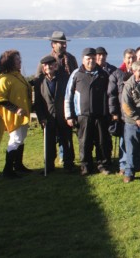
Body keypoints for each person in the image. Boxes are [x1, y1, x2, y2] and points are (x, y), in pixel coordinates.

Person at [65, 48, 112, 176]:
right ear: (83, 59)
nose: (91, 61)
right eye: (88, 58)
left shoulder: (104, 74)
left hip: (101, 115)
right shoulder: (76, 74)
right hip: (83, 115)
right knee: (84, 142)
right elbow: (68, 96)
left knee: (102, 142)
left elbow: (110, 95)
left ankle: (103, 165)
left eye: (93, 58)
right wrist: (69, 115)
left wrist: (111, 112)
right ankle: (85, 166)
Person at [36, 31, 78, 167]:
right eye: (61, 43)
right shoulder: (45, 61)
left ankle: (67, 160)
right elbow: (39, 83)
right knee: (50, 138)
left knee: (66, 137)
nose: (64, 45)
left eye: (64, 43)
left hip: (65, 105)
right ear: (53, 45)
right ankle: (50, 163)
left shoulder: (70, 59)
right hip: (50, 106)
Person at [0, 50, 32, 178]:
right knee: (15, 140)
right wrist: (15, 109)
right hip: (13, 115)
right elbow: (0, 99)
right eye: (17, 60)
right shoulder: (4, 79)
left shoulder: (18, 76)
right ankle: (8, 170)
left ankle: (18, 165)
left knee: (21, 140)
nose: (20, 61)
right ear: (9, 62)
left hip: (23, 114)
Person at [33, 55, 74, 172]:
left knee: (66, 141)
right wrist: (41, 118)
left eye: (51, 64)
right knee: (49, 143)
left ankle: (68, 164)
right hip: (48, 117)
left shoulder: (65, 78)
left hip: (63, 116)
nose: (48, 67)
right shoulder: (39, 82)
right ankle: (49, 166)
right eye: (45, 65)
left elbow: (69, 97)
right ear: (43, 68)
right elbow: (38, 103)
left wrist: (70, 115)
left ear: (55, 66)